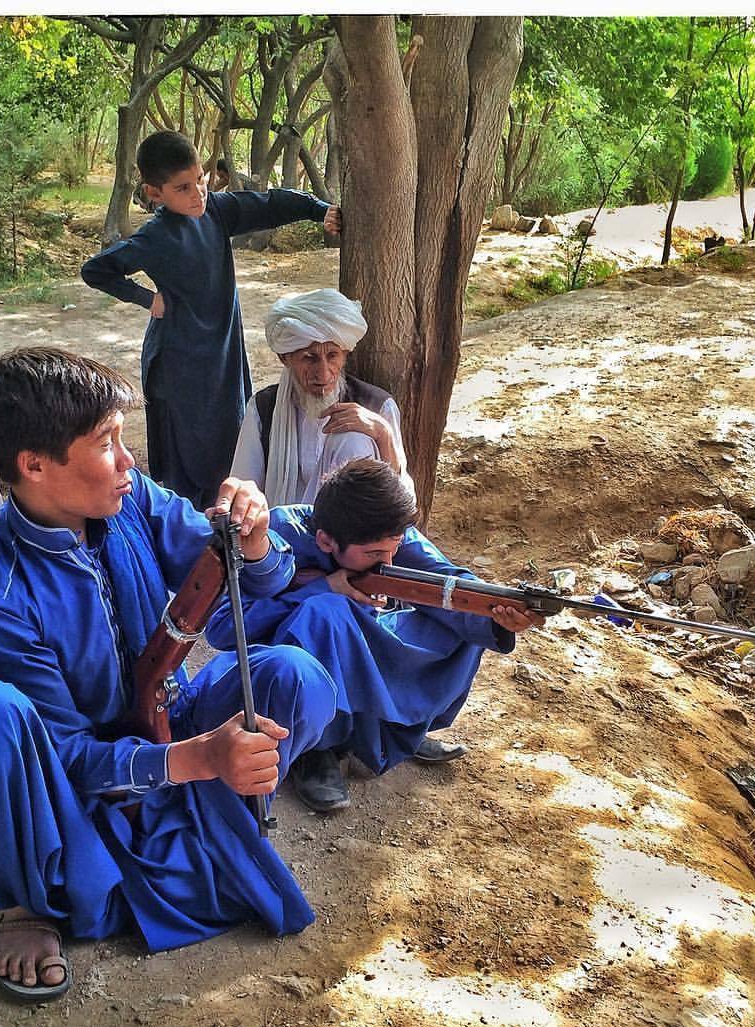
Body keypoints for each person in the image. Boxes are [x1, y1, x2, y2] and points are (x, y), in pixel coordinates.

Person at [0, 347, 338, 1001]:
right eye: (107, 444)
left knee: (297, 675)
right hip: (67, 796)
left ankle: (220, 803)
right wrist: (198, 759)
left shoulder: (129, 499)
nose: (129, 462)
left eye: (123, 438)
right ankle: (28, 904)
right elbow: (64, 760)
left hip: (169, 724)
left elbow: (247, 572)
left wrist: (253, 538)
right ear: (33, 466)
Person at [206, 458, 543, 813]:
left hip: (363, 642)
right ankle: (317, 750)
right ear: (325, 540)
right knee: (323, 615)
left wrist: (501, 617)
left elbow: (449, 581)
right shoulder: (277, 535)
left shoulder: (388, 535)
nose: (390, 559)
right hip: (287, 664)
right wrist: (320, 589)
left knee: (462, 612)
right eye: (375, 554)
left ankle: (402, 731)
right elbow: (223, 626)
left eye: (395, 546)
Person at [80, 131, 341, 509]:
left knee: (231, 437)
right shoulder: (155, 236)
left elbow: (269, 204)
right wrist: (147, 298)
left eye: (200, 180)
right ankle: (188, 534)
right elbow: (97, 270)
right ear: (156, 194)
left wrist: (320, 210)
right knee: (186, 454)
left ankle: (225, 528)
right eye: (183, 188)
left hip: (222, 353)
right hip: (178, 362)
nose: (198, 193)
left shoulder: (216, 212)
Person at [230, 288, 414, 507]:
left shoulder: (377, 406)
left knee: (352, 440)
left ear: (345, 354)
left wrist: (383, 434)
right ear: (285, 358)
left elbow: (403, 502)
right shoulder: (263, 408)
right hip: (284, 534)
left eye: (332, 356)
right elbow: (243, 489)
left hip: (353, 534)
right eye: (310, 358)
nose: (324, 374)